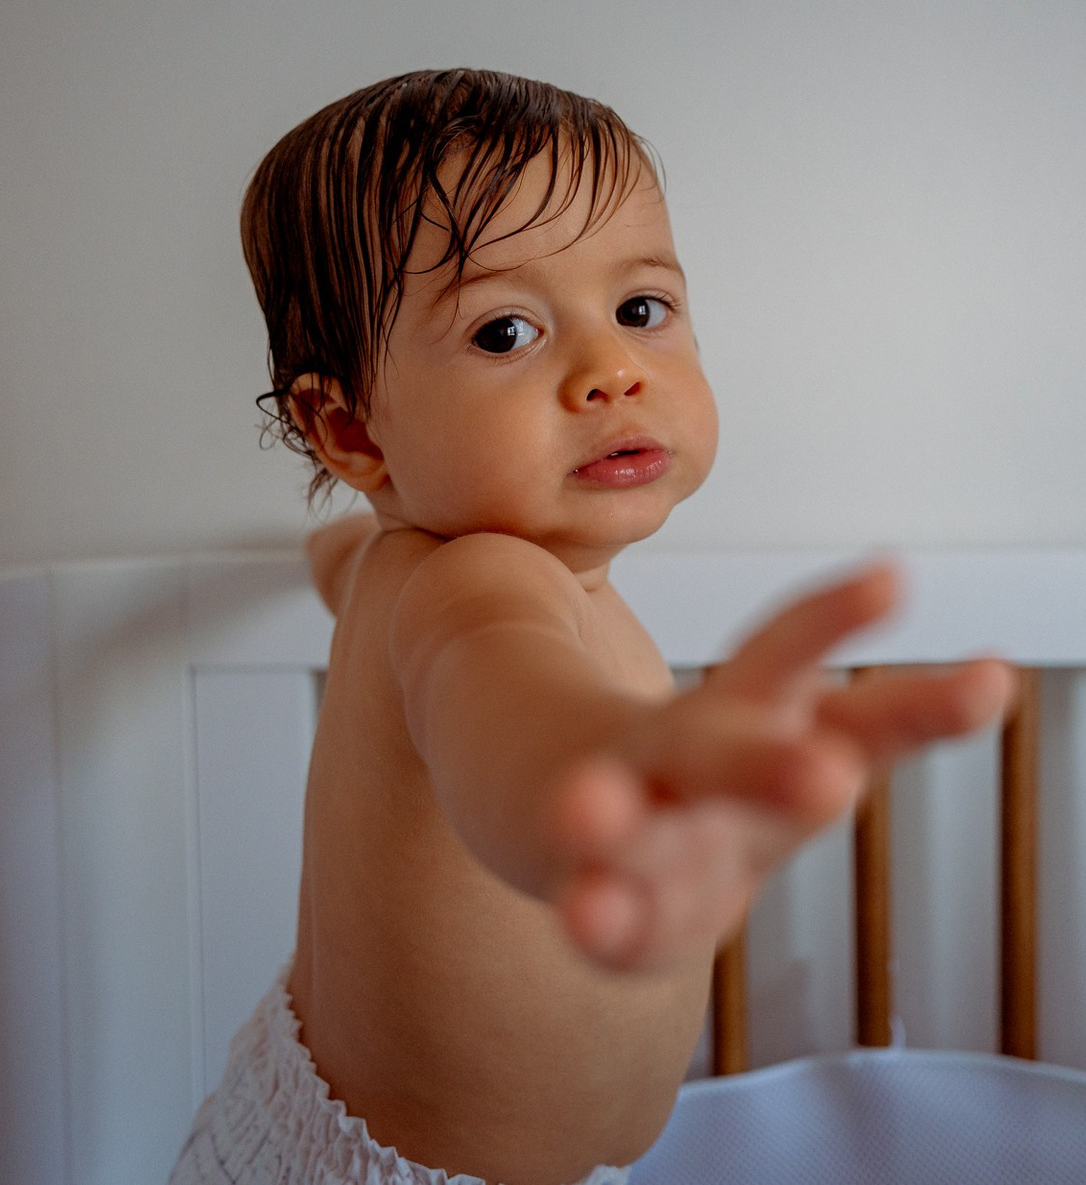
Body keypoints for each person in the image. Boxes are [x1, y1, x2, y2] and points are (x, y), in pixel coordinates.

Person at [169, 68, 1014, 1185]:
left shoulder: (390, 564)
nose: (611, 370)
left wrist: (319, 557)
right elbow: (501, 704)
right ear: (353, 431)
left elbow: (345, 566)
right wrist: (601, 781)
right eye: (505, 330)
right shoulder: (473, 590)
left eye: (640, 311)